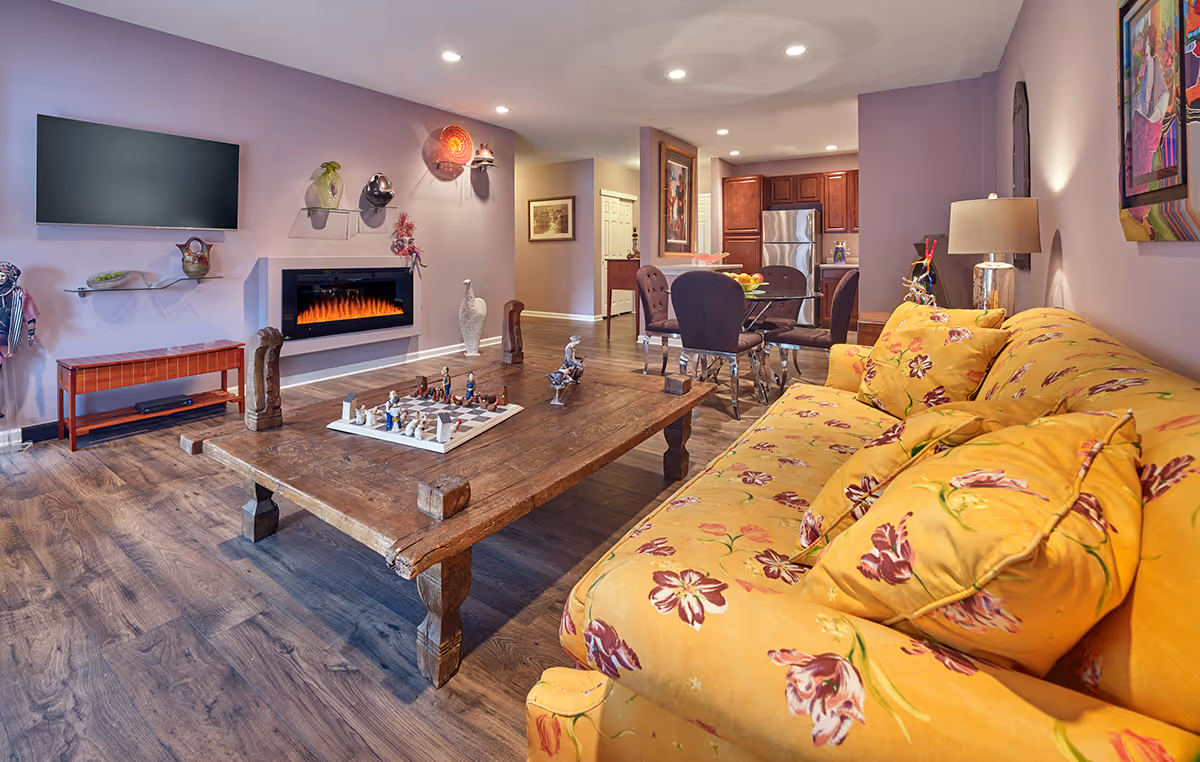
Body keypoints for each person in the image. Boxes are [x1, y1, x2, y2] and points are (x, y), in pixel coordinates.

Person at [0, 262, 38, 421]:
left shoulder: (19, 294)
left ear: (10, 277)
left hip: (7, 336)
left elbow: (30, 314)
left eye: (2, 276)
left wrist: (31, 330)